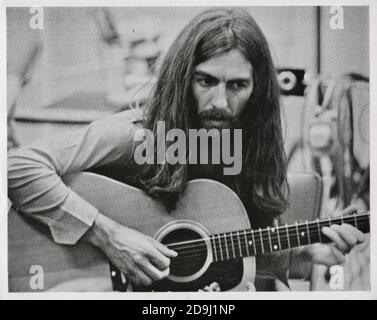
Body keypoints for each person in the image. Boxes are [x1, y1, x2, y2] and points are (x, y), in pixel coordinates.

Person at [8, 8, 367, 291]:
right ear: (184, 79)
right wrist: (109, 236)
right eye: (206, 81)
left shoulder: (244, 148)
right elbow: (18, 167)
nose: (220, 102)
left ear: (258, 92)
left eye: (238, 85)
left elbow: (211, 252)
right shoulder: (138, 135)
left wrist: (302, 254)